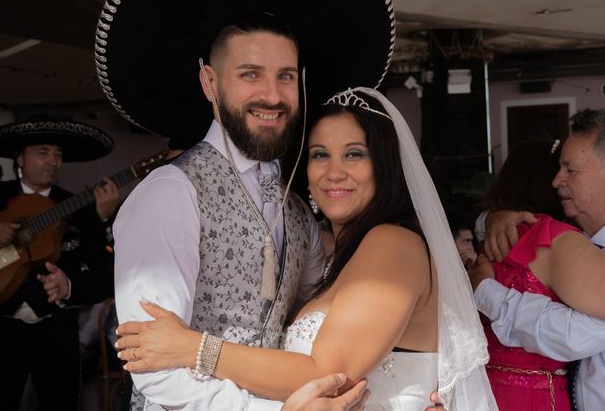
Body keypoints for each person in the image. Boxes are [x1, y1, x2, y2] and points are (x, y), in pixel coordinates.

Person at [96, 0, 395, 409]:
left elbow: (321, 319)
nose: (272, 96)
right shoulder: (170, 193)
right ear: (210, 82)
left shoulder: (297, 208)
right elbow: (153, 367)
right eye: (249, 74)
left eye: (286, 77)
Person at [115, 88, 497, 410]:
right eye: (319, 154)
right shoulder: (343, 251)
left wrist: (193, 347)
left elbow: (325, 375)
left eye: (353, 154)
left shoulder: (392, 244)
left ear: (384, 165)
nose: (334, 171)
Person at [0, 120, 119, 410]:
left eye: (58, 154)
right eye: (43, 152)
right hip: (1, 328)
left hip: (56, 332)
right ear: (20, 159)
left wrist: (103, 219)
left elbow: (103, 274)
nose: (53, 161)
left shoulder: (78, 206)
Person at [472, 109, 605, 411]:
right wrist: (496, 217)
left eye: (571, 170)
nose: (557, 180)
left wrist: (486, 292)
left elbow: (570, 335)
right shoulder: (565, 239)